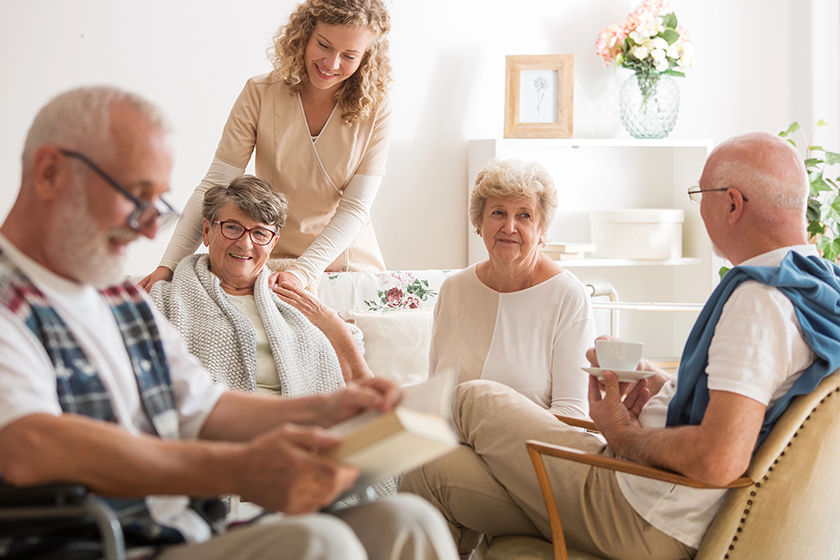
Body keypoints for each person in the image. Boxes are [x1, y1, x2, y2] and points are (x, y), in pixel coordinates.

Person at [0, 86, 457, 560]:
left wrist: (330, 410)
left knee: (407, 521)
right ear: (51, 172)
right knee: (319, 543)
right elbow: (31, 444)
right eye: (135, 197)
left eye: (157, 205)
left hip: (185, 530)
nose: (147, 228)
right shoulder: (8, 299)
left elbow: (204, 406)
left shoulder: (118, 298)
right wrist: (236, 469)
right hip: (104, 542)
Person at [400, 132, 840, 560]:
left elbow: (720, 458)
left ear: (731, 203)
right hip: (648, 498)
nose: (698, 207)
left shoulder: (758, 303)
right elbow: (734, 406)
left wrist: (626, 436)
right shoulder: (810, 288)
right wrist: (664, 383)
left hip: (641, 508)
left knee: (471, 397)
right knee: (432, 470)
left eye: (698, 192)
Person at [139, 0, 393, 293]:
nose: (332, 63)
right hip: (272, 257)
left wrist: (304, 271)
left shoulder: (376, 110)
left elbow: (355, 207)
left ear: (366, 58)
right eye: (323, 45)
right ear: (304, 35)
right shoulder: (259, 94)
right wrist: (169, 265)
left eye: (349, 55)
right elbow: (215, 183)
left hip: (345, 261)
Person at [149, 174, 371, 397]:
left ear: (273, 243)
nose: (245, 244)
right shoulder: (167, 300)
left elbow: (364, 391)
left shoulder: (297, 304)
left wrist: (333, 324)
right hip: (220, 426)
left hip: (305, 421)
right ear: (207, 231)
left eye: (259, 233)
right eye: (233, 228)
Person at [430, 158, 594, 417]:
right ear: (479, 223)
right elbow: (435, 397)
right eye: (498, 213)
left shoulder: (568, 296)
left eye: (524, 215)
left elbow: (571, 412)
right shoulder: (454, 289)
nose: (509, 227)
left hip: (531, 451)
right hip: (453, 445)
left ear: (541, 229)